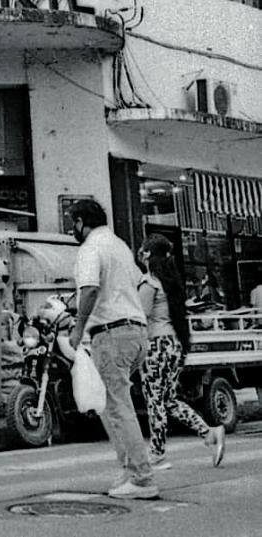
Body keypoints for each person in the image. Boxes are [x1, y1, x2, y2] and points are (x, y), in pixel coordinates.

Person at [68, 198, 157, 500]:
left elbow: (90, 287)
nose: (73, 229)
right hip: (136, 331)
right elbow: (137, 282)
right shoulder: (119, 245)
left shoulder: (90, 248)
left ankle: (142, 478)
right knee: (111, 404)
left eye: (73, 223)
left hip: (111, 333)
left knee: (118, 406)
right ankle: (129, 469)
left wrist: (78, 328)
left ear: (81, 222)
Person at [138, 234, 224, 469]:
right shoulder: (171, 283)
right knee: (168, 400)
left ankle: (157, 453)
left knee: (155, 401)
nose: (139, 253)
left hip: (155, 345)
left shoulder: (149, 283)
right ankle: (209, 433)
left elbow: (141, 318)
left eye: (142, 250)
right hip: (174, 344)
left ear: (147, 255)